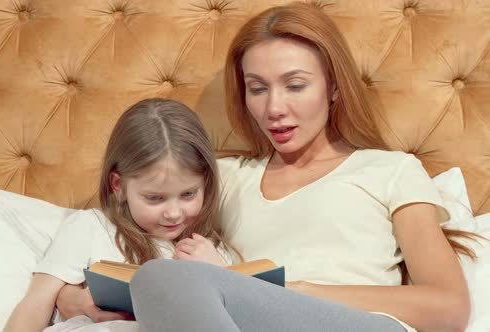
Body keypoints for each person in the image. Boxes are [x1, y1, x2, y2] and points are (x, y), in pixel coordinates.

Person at [128, 3, 477, 332]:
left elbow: (447, 307)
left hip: (358, 323)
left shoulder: (391, 170)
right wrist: (72, 295)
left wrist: (293, 290)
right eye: (257, 88)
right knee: (157, 279)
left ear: (334, 87)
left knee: (161, 279)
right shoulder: (227, 177)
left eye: (295, 85)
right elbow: (137, 218)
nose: (274, 107)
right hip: (255, 319)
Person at [3, 98, 236, 332]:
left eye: (188, 194)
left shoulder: (210, 250)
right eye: (154, 198)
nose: (174, 213)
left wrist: (220, 274)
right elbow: (34, 304)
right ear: (119, 186)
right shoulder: (91, 228)